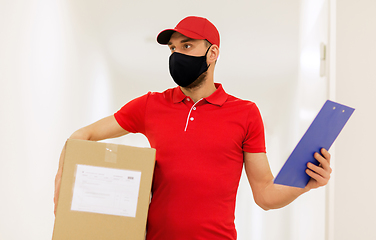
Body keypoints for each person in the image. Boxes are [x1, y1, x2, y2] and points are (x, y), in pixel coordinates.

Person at [54, 16, 332, 240]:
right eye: (173, 49)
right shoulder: (150, 105)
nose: (176, 55)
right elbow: (83, 136)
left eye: (186, 46)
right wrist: (63, 183)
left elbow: (265, 194)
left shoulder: (246, 113)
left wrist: (305, 184)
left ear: (212, 53)